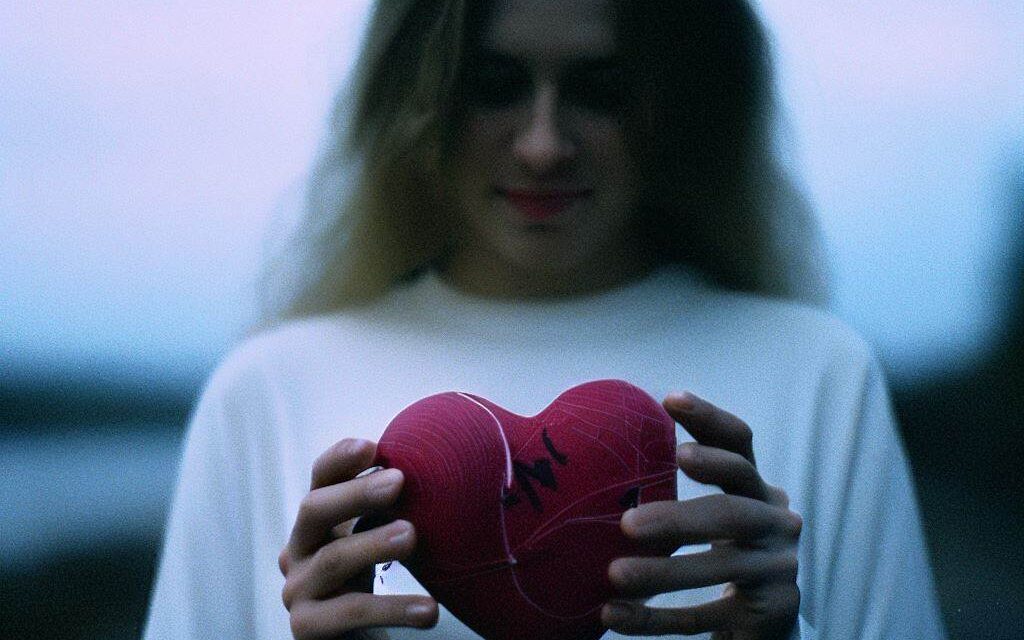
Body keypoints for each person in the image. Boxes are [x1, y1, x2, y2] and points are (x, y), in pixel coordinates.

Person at [144, 0, 946, 638]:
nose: (542, 145)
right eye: (493, 83)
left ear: (685, 102)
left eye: (601, 89)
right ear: (416, 101)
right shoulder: (268, 388)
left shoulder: (817, 370)